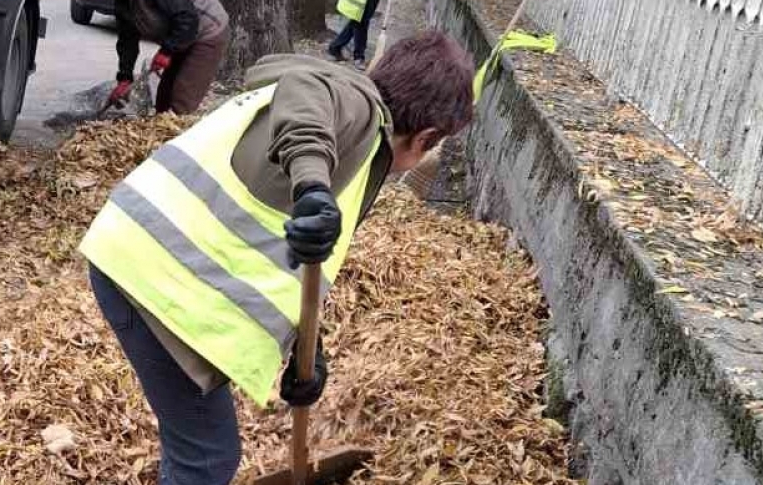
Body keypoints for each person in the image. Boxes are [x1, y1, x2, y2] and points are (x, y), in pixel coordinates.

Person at [78, 31, 474, 485]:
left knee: (198, 446)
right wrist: (312, 187)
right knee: (206, 459)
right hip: (149, 277)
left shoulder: (354, 138)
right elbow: (307, 95)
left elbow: (294, 252)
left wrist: (306, 347)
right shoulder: (355, 105)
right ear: (426, 137)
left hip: (141, 261)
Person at [91, 0, 229, 114]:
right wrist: (125, 78)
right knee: (163, 100)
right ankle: (163, 127)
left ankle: (178, 130)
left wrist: (166, 51)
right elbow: (127, 40)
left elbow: (187, 18)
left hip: (208, 32)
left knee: (180, 102)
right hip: (181, 36)